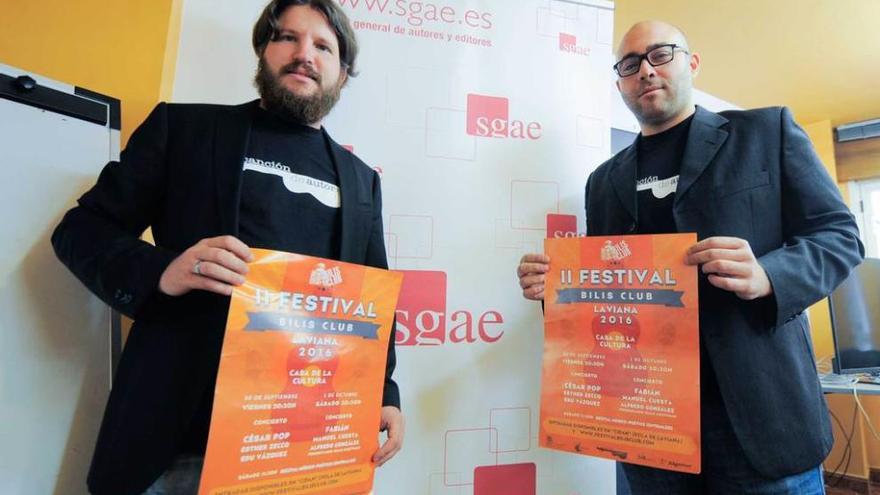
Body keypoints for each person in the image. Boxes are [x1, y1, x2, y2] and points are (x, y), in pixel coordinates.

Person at [52, 1, 403, 493]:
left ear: (343, 72)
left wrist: (385, 392)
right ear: (263, 50)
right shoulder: (184, 130)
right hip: (176, 443)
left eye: (324, 46)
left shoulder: (363, 182)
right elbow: (80, 229)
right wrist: (162, 271)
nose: (305, 55)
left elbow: (372, 307)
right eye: (288, 38)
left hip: (301, 444)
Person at [517, 20, 864, 494]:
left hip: (760, 420)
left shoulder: (766, 130)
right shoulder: (602, 181)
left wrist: (769, 275)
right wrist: (555, 292)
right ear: (619, 81)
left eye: (661, 54)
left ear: (691, 62)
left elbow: (840, 235)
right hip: (648, 426)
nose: (646, 71)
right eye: (629, 64)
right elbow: (606, 296)